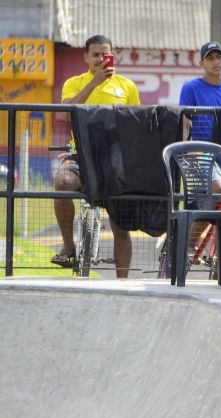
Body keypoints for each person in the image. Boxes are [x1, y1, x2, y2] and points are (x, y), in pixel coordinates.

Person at [51, 34, 140, 278]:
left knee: (120, 223)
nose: (101, 59)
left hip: (114, 158)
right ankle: (69, 246)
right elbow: (66, 114)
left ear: (113, 55)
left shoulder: (127, 86)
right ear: (86, 58)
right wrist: (94, 84)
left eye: (105, 54)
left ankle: (122, 284)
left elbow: (135, 126)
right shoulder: (74, 82)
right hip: (79, 154)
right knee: (62, 183)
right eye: (96, 55)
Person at [178, 41, 221, 242]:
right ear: (202, 63)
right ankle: (185, 248)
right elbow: (184, 124)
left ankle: (219, 257)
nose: (216, 61)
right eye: (210, 58)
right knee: (220, 192)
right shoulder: (191, 88)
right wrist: (188, 149)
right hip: (200, 155)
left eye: (219, 57)